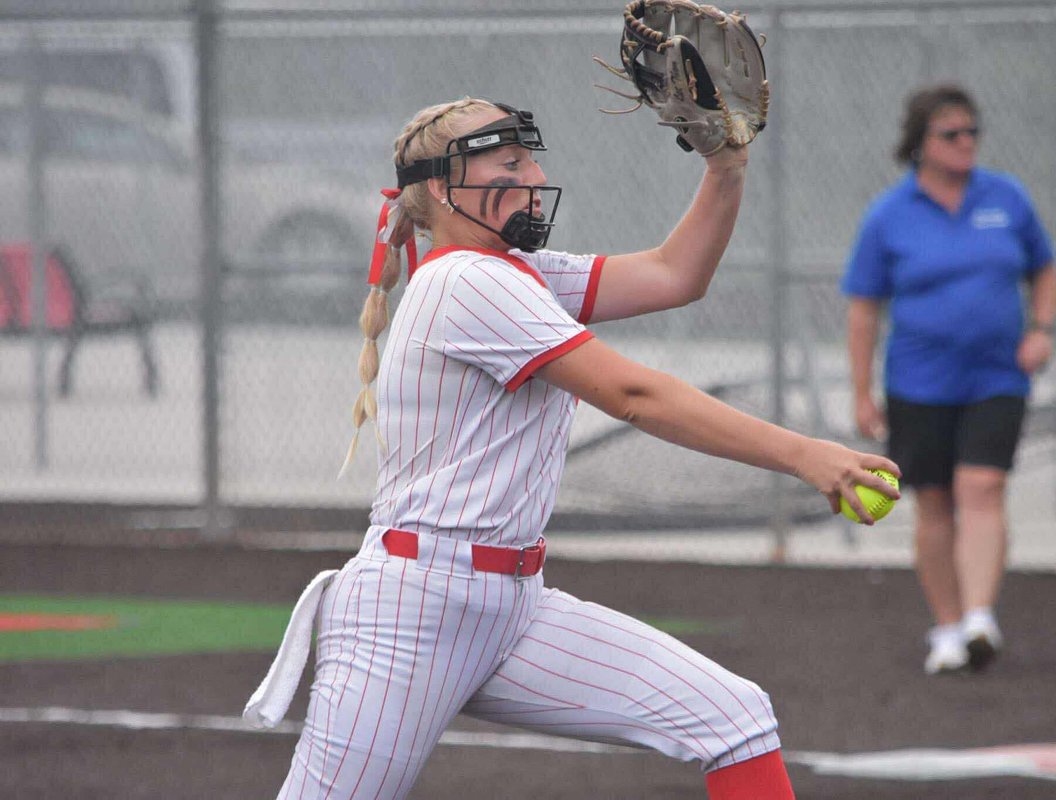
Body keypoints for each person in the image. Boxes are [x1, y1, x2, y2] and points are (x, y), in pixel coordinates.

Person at [256, 96, 900, 799]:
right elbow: (634, 395)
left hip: (512, 607)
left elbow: (676, 274)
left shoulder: (516, 271)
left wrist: (726, 166)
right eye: (509, 162)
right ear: (441, 187)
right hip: (414, 610)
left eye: (530, 159)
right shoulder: (467, 281)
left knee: (734, 717)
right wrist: (805, 455)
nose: (534, 175)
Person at [840, 84, 1056, 675]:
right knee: (934, 502)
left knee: (982, 487)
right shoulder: (889, 214)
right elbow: (864, 308)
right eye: (951, 134)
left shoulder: (1006, 198)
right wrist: (861, 392)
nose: (966, 142)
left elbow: (1044, 269)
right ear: (921, 143)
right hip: (918, 383)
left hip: (998, 377)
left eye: (972, 131)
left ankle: (980, 617)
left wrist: (1041, 329)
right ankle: (948, 627)